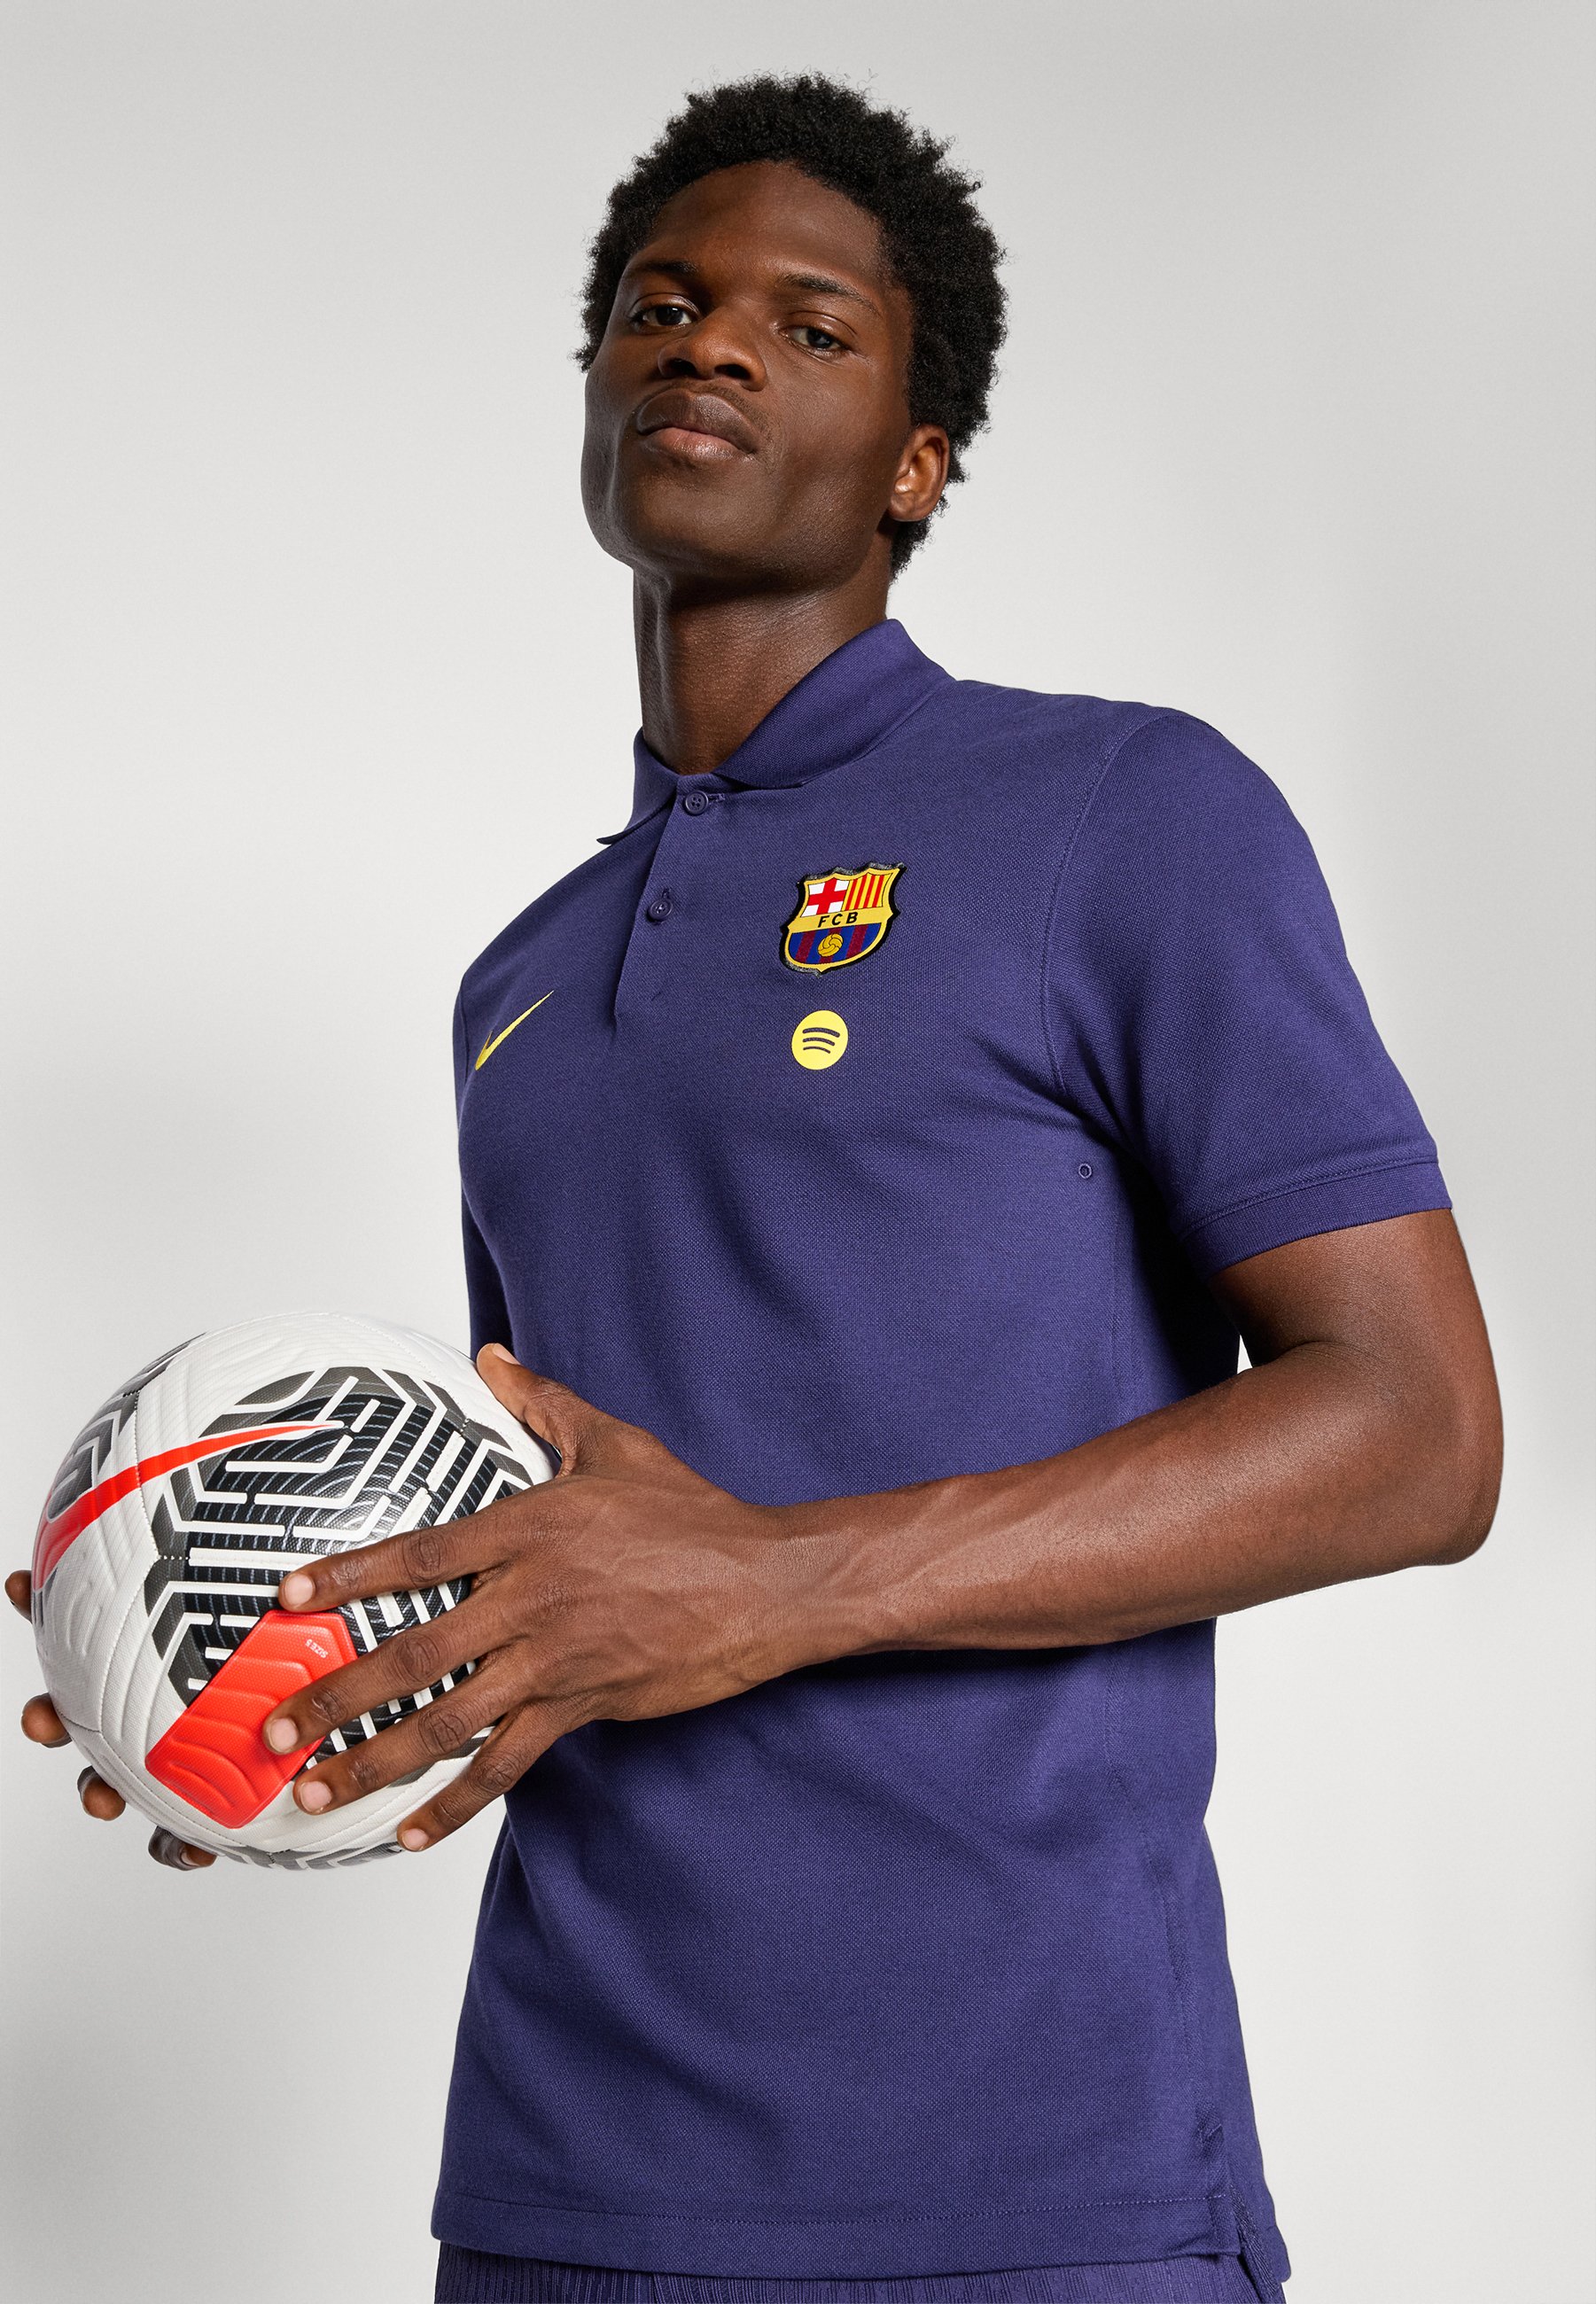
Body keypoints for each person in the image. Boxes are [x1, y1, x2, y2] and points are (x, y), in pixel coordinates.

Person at [12, 74, 1501, 2304]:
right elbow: (564, 1539)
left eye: (809, 326)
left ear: (916, 464)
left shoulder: (1125, 816)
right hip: (560, 2186)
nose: (706, 340)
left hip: (1039, 2179)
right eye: (659, 302)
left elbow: (1418, 1431)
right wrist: (260, 1684)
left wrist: (773, 1581)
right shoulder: (516, 989)